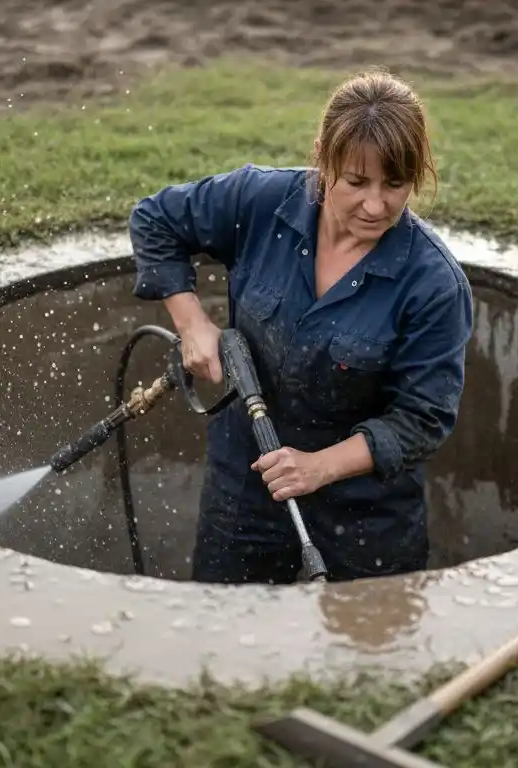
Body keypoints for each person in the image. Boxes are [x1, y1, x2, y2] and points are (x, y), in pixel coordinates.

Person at [128, 68, 474, 585]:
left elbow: (422, 420)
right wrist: (192, 320)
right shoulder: (261, 202)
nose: (376, 205)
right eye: (356, 182)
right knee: (228, 635)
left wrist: (318, 468)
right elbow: (156, 219)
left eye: (395, 184)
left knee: (360, 657)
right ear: (322, 158)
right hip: (246, 484)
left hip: (365, 516)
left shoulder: (433, 284)